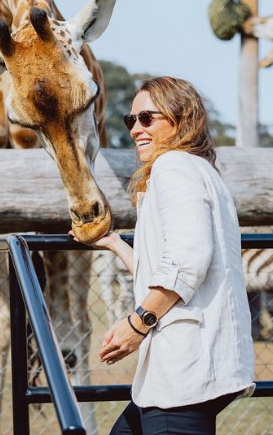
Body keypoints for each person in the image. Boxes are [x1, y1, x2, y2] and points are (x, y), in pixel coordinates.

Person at [92, 76, 255, 435]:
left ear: (181, 119)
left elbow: (189, 258)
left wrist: (137, 325)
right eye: (130, 120)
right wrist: (116, 244)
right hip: (183, 371)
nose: (136, 129)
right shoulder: (200, 171)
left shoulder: (174, 168)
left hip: (183, 368)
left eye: (147, 118)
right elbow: (170, 264)